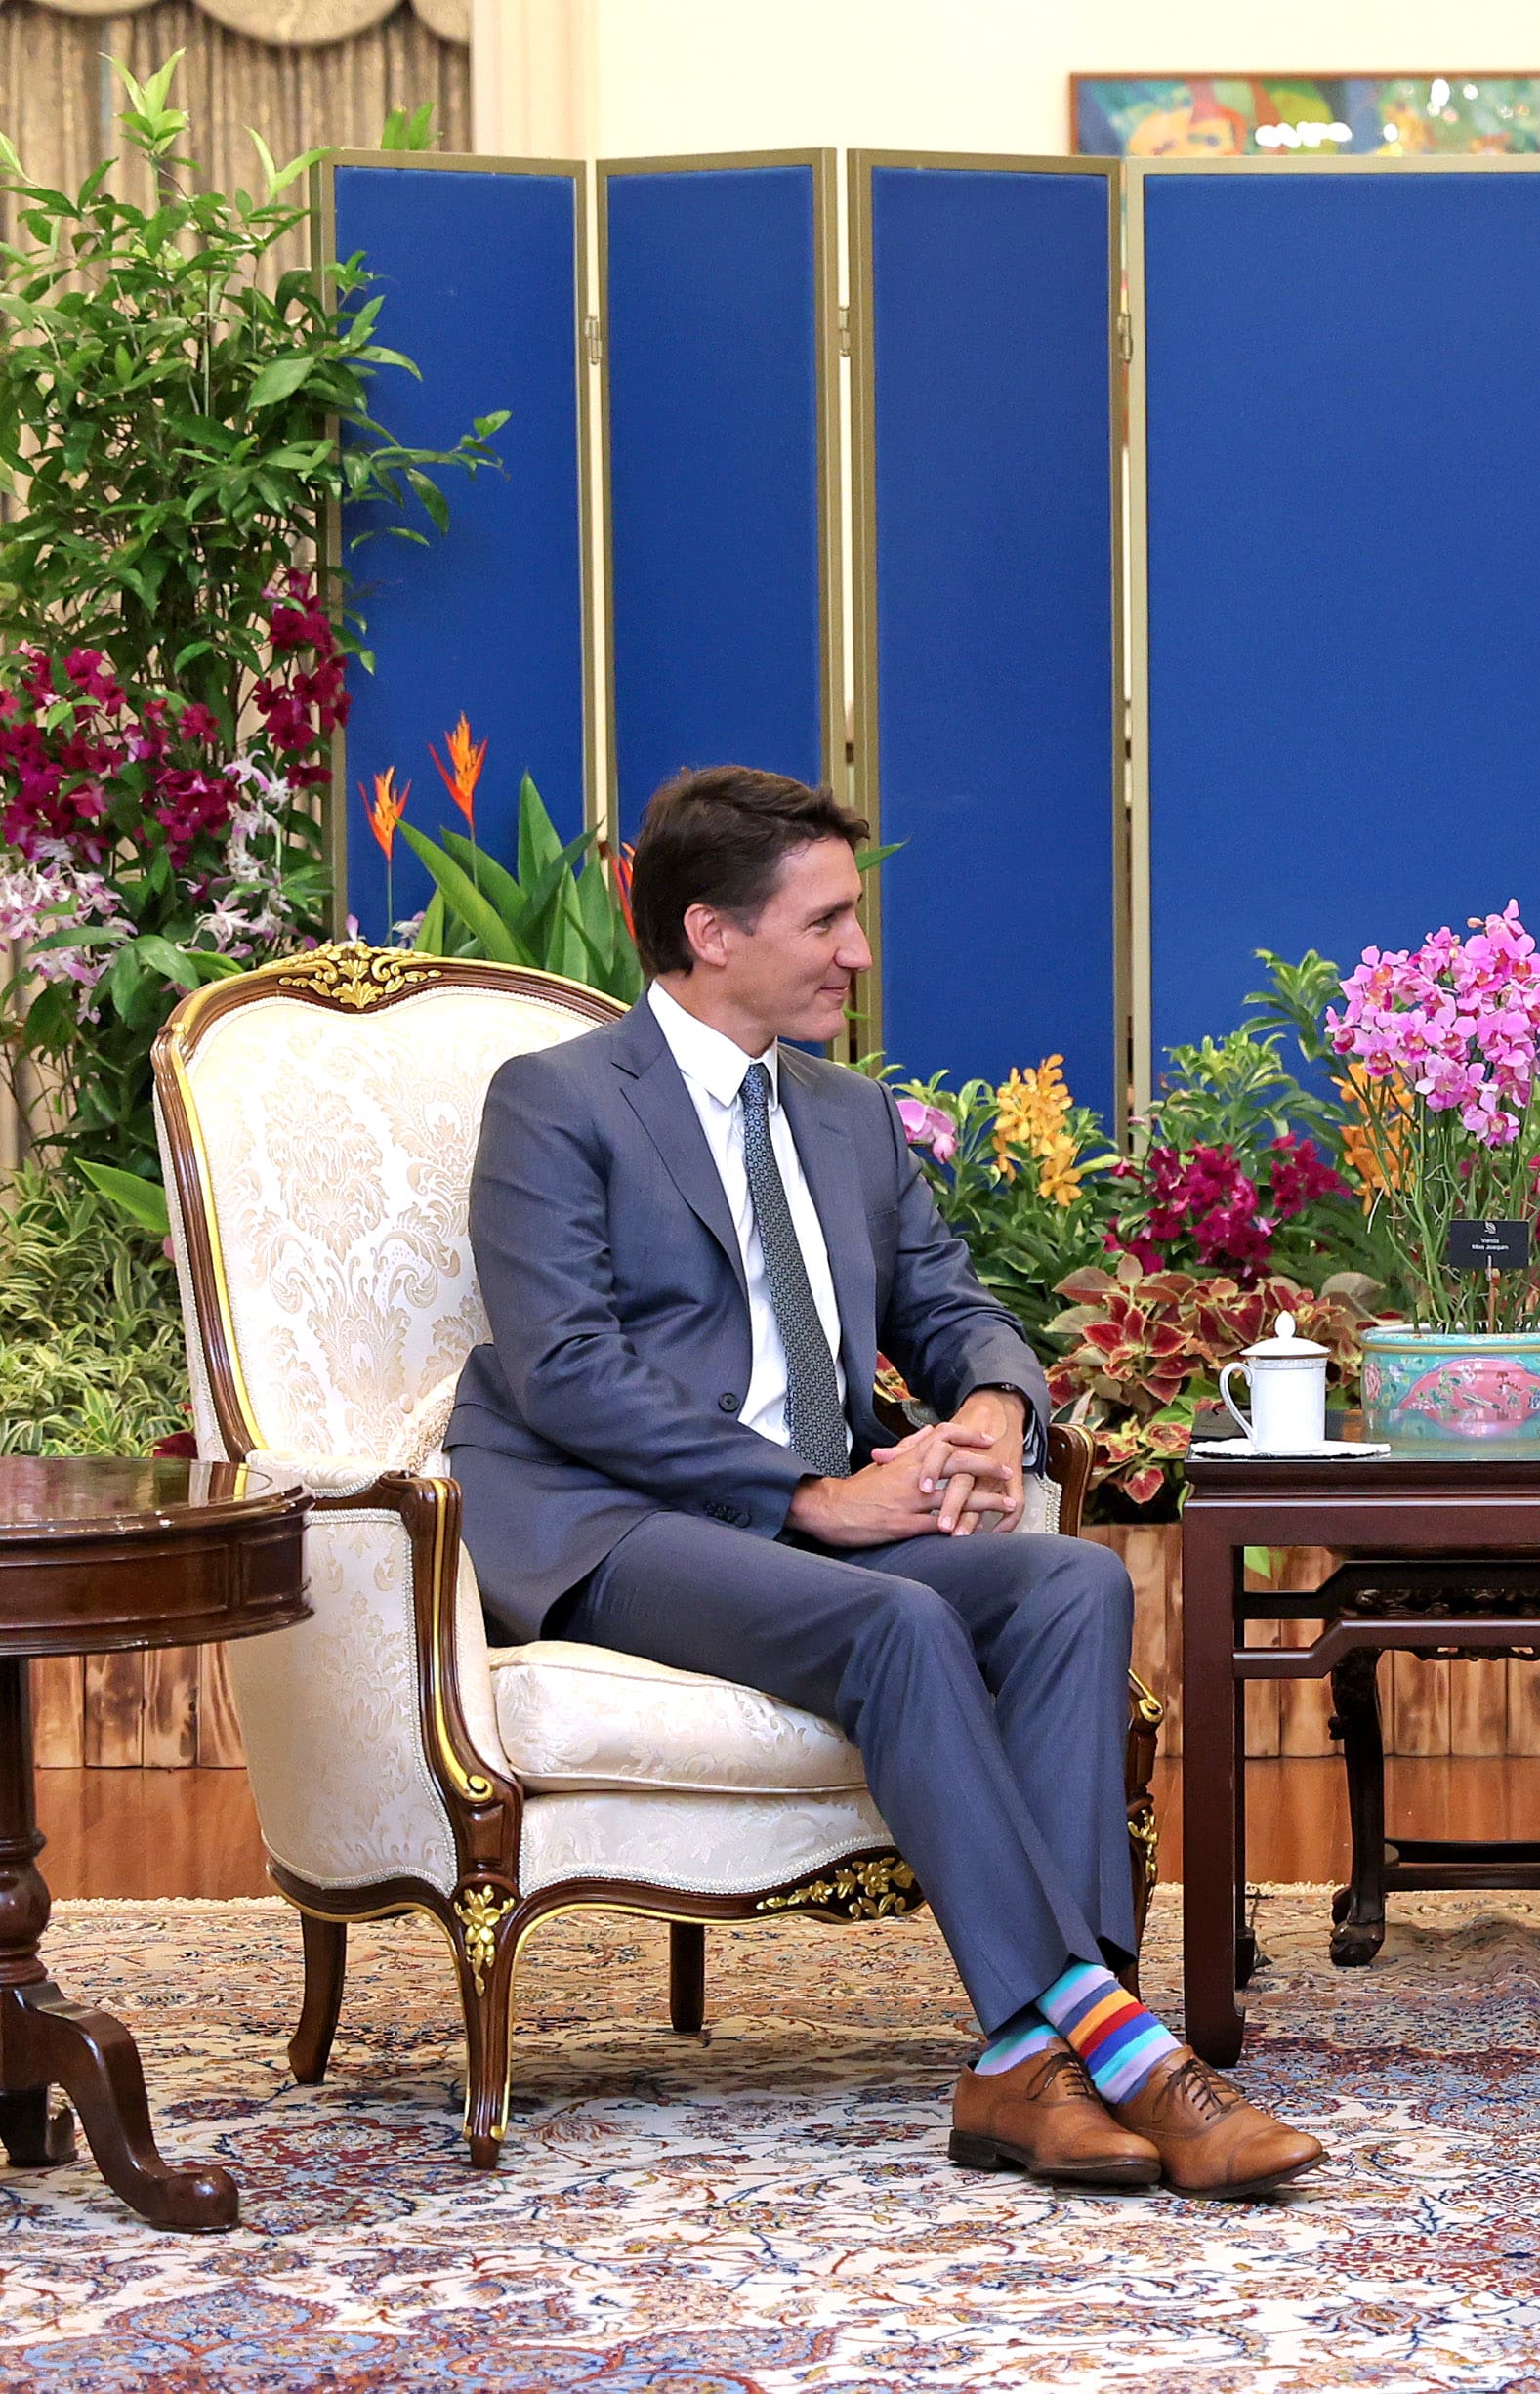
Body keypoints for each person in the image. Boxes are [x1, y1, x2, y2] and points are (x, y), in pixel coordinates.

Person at [447, 764, 1321, 2200]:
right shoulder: (558, 1101)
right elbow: (567, 1372)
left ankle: (1030, 2066)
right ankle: (1121, 2046)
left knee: (1070, 1585)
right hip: (619, 1523)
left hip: (816, 1519)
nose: (857, 953)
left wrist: (990, 1407)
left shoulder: (848, 1114)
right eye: (826, 922)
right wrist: (806, 1499)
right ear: (712, 932)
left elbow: (949, 1301)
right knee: (901, 1622)